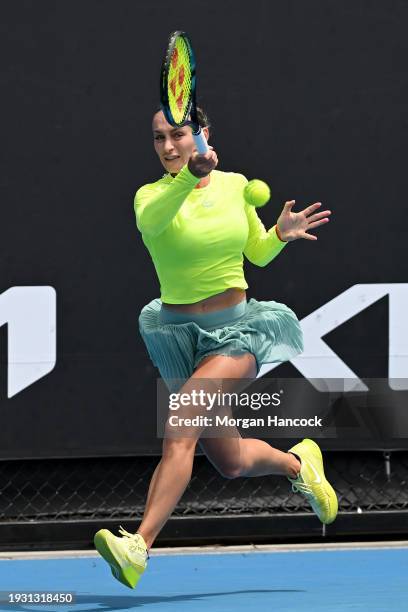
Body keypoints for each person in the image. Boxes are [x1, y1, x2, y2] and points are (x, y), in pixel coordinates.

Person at [94, 107, 337, 589]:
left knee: (181, 422)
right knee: (229, 460)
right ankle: (299, 463)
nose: (168, 146)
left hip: (237, 333)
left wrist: (279, 236)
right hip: (179, 338)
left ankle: (138, 546)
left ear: (202, 135)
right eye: (159, 137)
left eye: (179, 135)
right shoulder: (151, 197)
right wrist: (190, 177)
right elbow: (156, 223)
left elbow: (256, 252)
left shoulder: (234, 185)